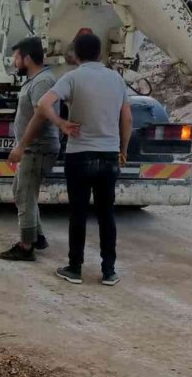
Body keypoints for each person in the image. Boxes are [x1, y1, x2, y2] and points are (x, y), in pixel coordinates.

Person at [36, 31, 133, 286]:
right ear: (100, 53)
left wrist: (61, 123)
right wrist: (123, 149)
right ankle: (109, 271)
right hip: (109, 154)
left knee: (78, 213)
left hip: (79, 155)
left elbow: (44, 103)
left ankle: (75, 268)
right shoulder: (116, 79)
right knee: (106, 214)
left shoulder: (73, 77)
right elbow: (127, 118)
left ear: (75, 55)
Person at [0, 37, 60, 261]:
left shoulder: (42, 81)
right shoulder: (36, 80)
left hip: (36, 149)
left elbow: (41, 116)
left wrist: (21, 146)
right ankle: (37, 236)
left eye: (16, 57)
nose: (14, 62)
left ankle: (26, 246)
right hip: (32, 149)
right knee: (20, 190)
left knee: (24, 194)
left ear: (27, 58)